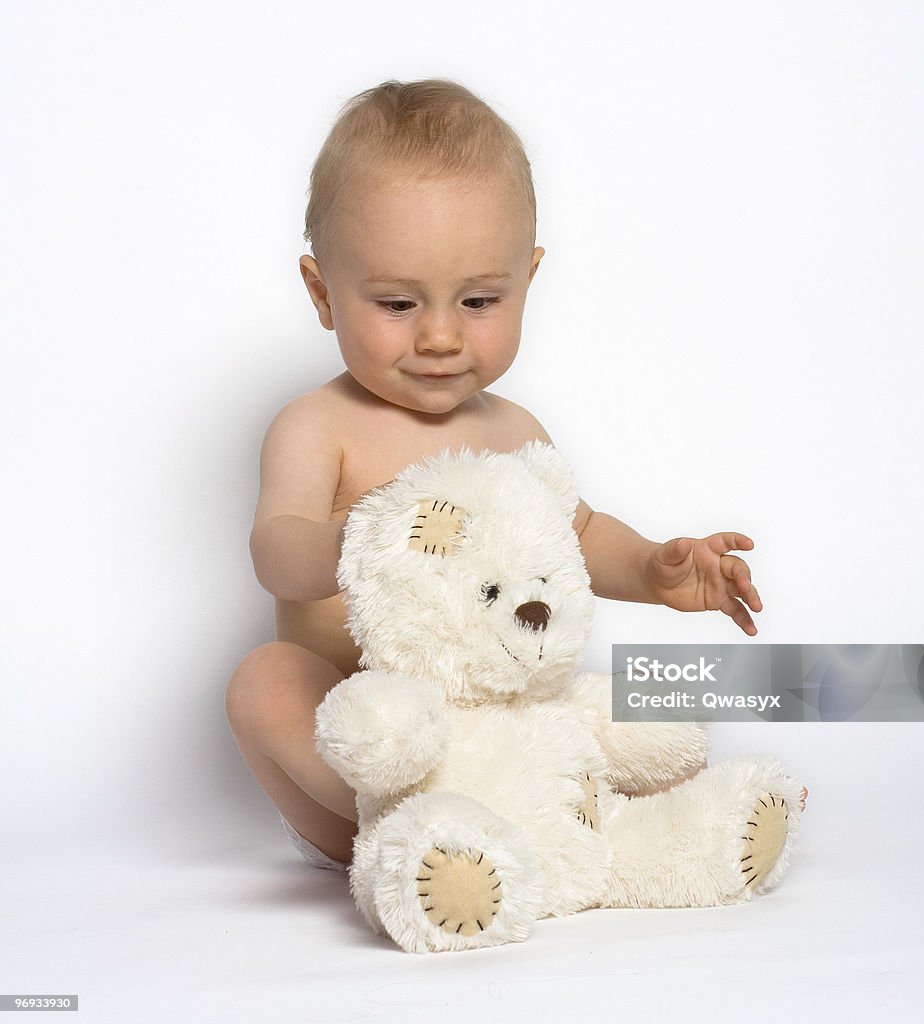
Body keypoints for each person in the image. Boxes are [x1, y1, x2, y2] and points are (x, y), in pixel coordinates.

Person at [225, 78, 768, 870]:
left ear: (528, 280)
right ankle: (417, 828)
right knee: (263, 681)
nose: (442, 336)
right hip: (373, 762)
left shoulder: (514, 433)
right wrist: (359, 536)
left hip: (510, 743)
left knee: (641, 709)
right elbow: (274, 548)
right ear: (323, 294)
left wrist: (655, 571)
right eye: (397, 304)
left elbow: (577, 534)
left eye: (479, 300)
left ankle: (678, 822)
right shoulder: (318, 427)